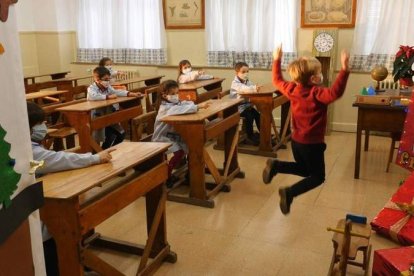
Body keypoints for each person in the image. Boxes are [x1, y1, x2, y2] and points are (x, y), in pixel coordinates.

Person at [27, 101, 115, 275]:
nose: (44, 127)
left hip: (41, 199)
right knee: (54, 234)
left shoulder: (29, 146)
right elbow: (56, 160)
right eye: (39, 124)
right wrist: (95, 158)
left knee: (60, 228)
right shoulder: (29, 151)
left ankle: (77, 263)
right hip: (35, 210)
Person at [262, 45, 350, 215]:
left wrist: (276, 60)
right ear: (313, 79)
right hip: (312, 144)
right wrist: (344, 70)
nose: (321, 74)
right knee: (318, 177)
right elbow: (335, 93)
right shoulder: (317, 93)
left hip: (297, 142)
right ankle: (290, 192)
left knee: (304, 169)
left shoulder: (293, 89)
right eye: (318, 73)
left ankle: (276, 166)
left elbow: (277, 80)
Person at [152, 80, 209, 187]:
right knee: (179, 153)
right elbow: (178, 110)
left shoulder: (174, 102)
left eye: (177, 93)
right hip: (162, 137)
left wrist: (191, 104)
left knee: (190, 147)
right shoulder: (165, 108)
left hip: (173, 135)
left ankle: (191, 173)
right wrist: (198, 107)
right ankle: (166, 176)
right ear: (164, 95)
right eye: (172, 94)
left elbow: (184, 104)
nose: (176, 96)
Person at [87, 66, 141, 149]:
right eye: (105, 79)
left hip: (109, 115)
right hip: (98, 118)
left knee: (121, 134)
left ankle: (108, 151)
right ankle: (102, 152)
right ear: (97, 79)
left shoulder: (107, 87)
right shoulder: (91, 88)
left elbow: (116, 92)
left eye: (109, 79)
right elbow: (93, 97)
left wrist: (130, 94)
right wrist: (108, 97)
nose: (107, 82)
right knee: (106, 138)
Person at [230, 61, 261, 145]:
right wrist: (254, 88)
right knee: (249, 117)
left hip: (246, 106)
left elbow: (251, 87)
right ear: (237, 73)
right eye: (243, 72)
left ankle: (264, 136)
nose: (246, 74)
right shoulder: (235, 84)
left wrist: (255, 88)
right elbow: (244, 89)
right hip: (237, 108)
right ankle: (249, 136)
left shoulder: (247, 81)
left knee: (258, 115)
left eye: (247, 71)